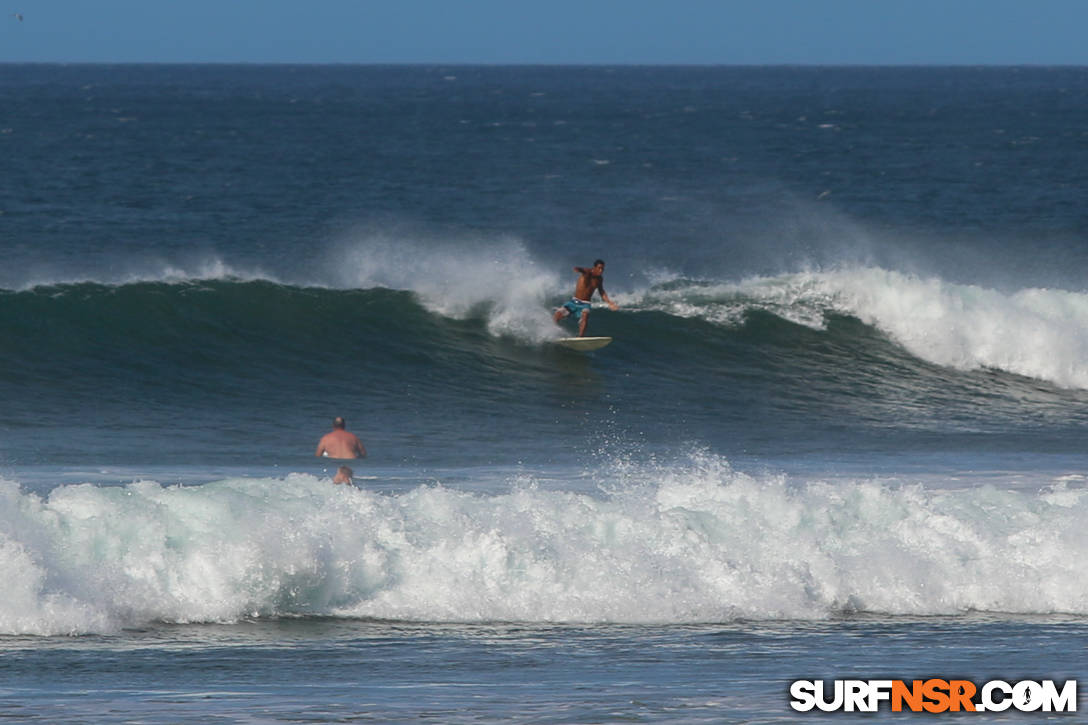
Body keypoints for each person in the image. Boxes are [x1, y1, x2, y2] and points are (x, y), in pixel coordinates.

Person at [552, 259, 618, 337]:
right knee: (558, 314)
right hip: (574, 302)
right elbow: (584, 270)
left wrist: (609, 302)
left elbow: (601, 292)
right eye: (599, 268)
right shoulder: (588, 273)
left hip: (585, 304)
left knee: (585, 316)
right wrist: (579, 269)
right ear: (594, 268)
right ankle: (552, 331)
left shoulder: (599, 279)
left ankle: (580, 337)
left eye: (602, 269)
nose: (601, 271)